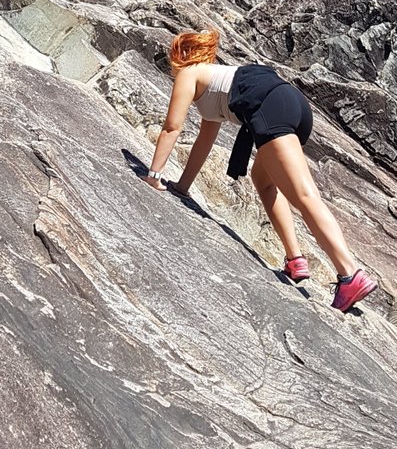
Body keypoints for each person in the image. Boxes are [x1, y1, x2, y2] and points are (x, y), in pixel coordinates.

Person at [142, 30, 377, 311]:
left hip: (271, 106)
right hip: (292, 105)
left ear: (181, 56)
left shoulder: (189, 74)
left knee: (304, 195)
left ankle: (349, 273)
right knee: (263, 180)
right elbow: (205, 141)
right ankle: (295, 259)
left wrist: (153, 175)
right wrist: (182, 187)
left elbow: (172, 127)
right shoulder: (216, 80)